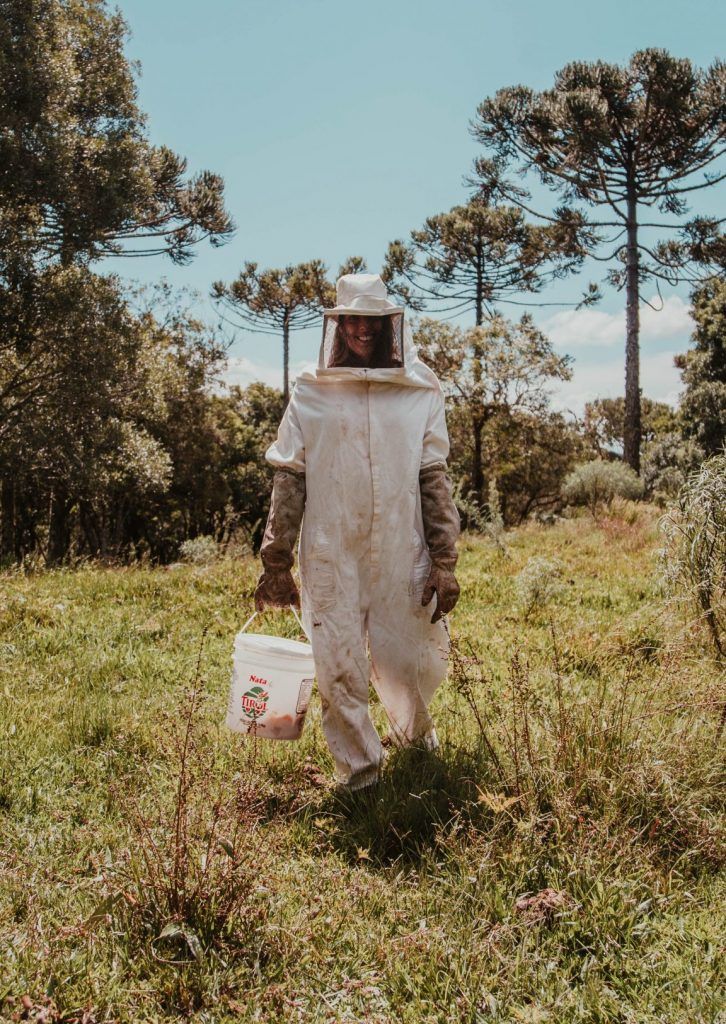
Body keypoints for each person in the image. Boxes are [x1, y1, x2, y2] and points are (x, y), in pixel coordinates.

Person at [254, 273, 460, 791]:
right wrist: (275, 562)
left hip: (400, 546)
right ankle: (362, 774)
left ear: (389, 325)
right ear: (337, 324)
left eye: (370, 320)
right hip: (330, 550)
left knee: (409, 658)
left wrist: (444, 560)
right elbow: (290, 473)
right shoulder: (313, 386)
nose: (361, 330)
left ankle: (417, 746)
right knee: (338, 663)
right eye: (351, 319)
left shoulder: (420, 386)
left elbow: (433, 477)